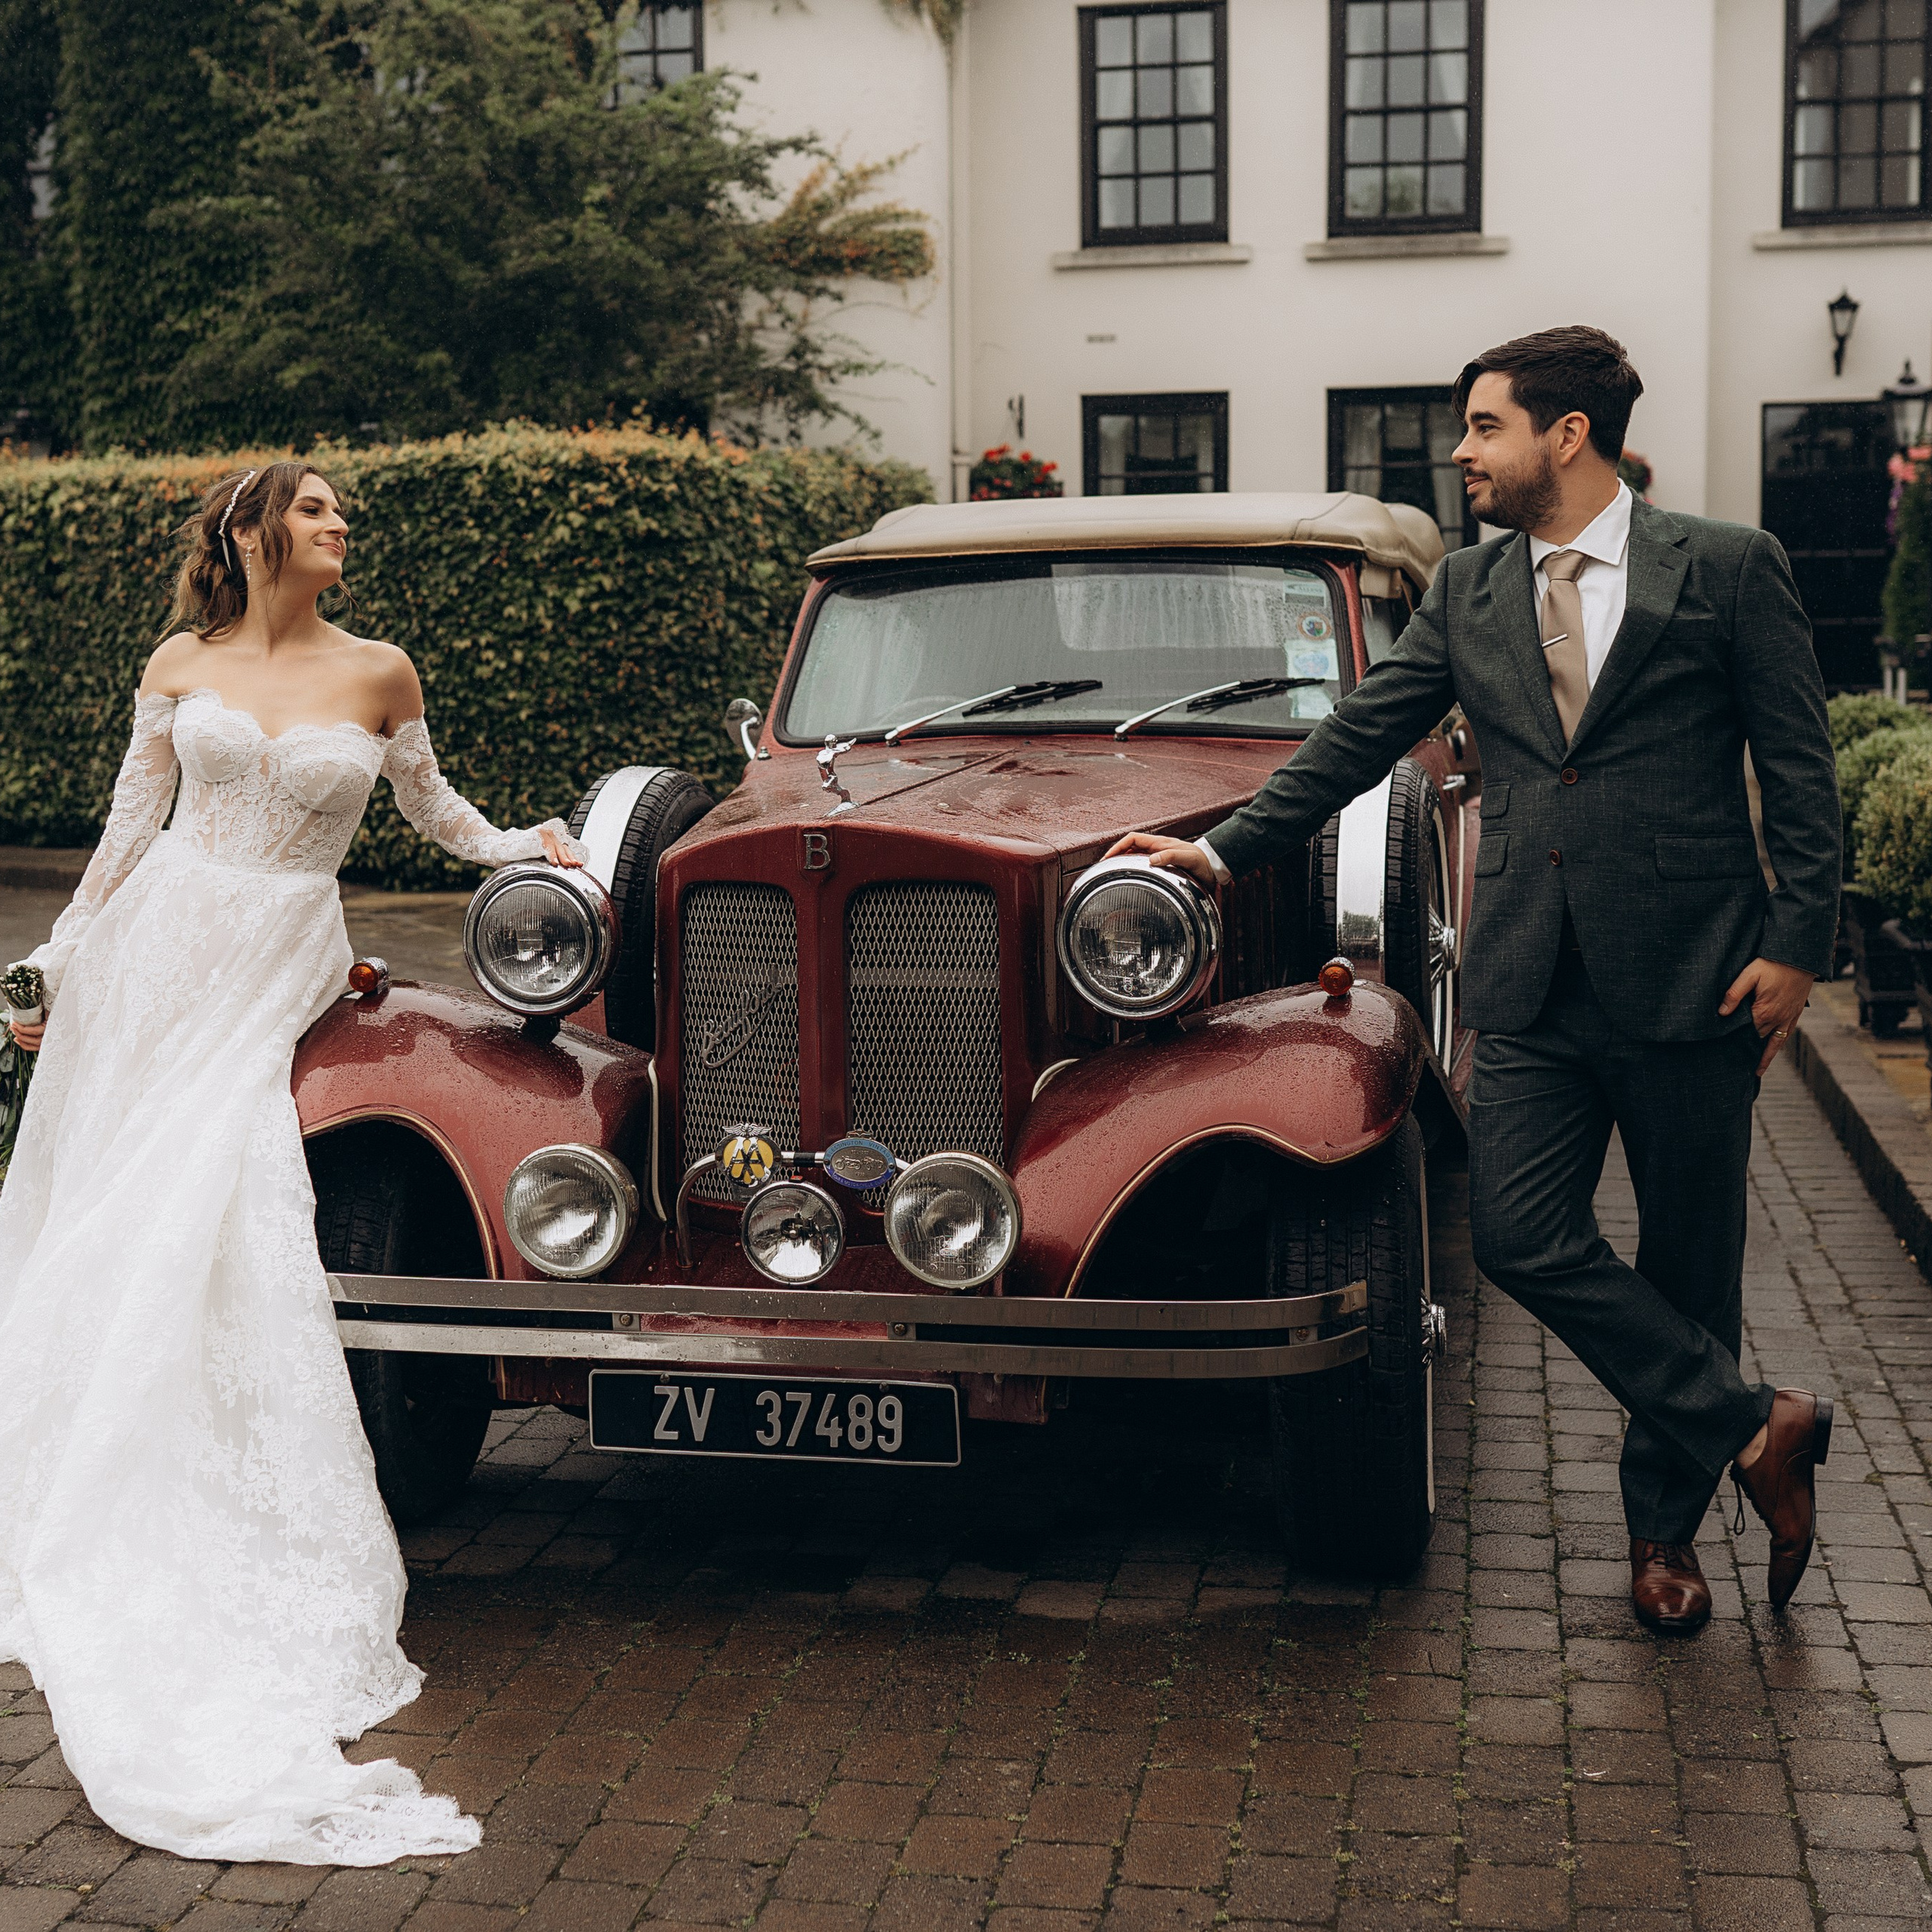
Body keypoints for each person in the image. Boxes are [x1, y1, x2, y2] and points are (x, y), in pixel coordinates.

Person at [1112, 326, 1841, 1635]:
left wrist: (1796, 945)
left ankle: (1663, 1541)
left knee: (1691, 1273)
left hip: (1696, 979)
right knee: (1519, 1239)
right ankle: (1754, 1426)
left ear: (1568, 434)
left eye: (1485, 427)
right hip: (1529, 977)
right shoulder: (1465, 590)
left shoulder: (1728, 568)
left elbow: (1800, 770)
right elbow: (1357, 735)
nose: (1463, 452)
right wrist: (1220, 853)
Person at [0, 460, 584, 1860]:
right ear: (256, 529)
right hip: (159, 951)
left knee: (216, 1187)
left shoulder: (381, 672)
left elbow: (441, 820)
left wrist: (533, 847)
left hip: (277, 948)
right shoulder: (178, 660)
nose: (342, 527)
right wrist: (55, 962)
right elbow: (127, 833)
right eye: (319, 510)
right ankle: (70, 1450)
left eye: (344, 516)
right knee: (117, 1201)